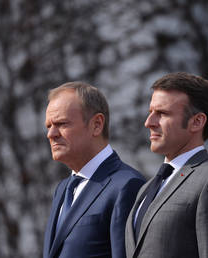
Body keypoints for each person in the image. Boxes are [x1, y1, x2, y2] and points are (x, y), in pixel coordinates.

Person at [125, 72, 208, 258]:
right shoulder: (146, 189)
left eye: (162, 113)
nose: (149, 123)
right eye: (150, 113)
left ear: (197, 122)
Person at [43, 82, 145, 258]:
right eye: (48, 126)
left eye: (61, 123)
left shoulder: (127, 186)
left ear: (97, 124)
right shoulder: (63, 189)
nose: (51, 134)